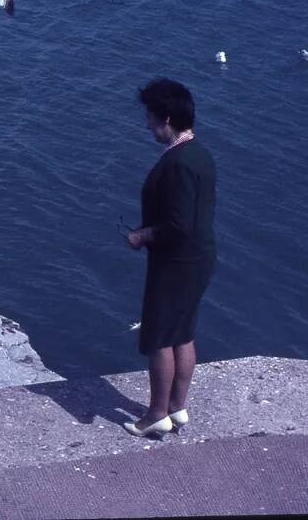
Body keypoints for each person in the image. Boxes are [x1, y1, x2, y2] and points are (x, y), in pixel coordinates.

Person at [124, 78, 217, 437]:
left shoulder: (177, 162)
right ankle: (178, 408)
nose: (146, 123)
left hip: (176, 262)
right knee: (182, 332)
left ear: (165, 119)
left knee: (159, 335)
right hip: (198, 259)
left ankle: (155, 415)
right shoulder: (200, 154)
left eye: (149, 117)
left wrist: (141, 235)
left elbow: (179, 224)